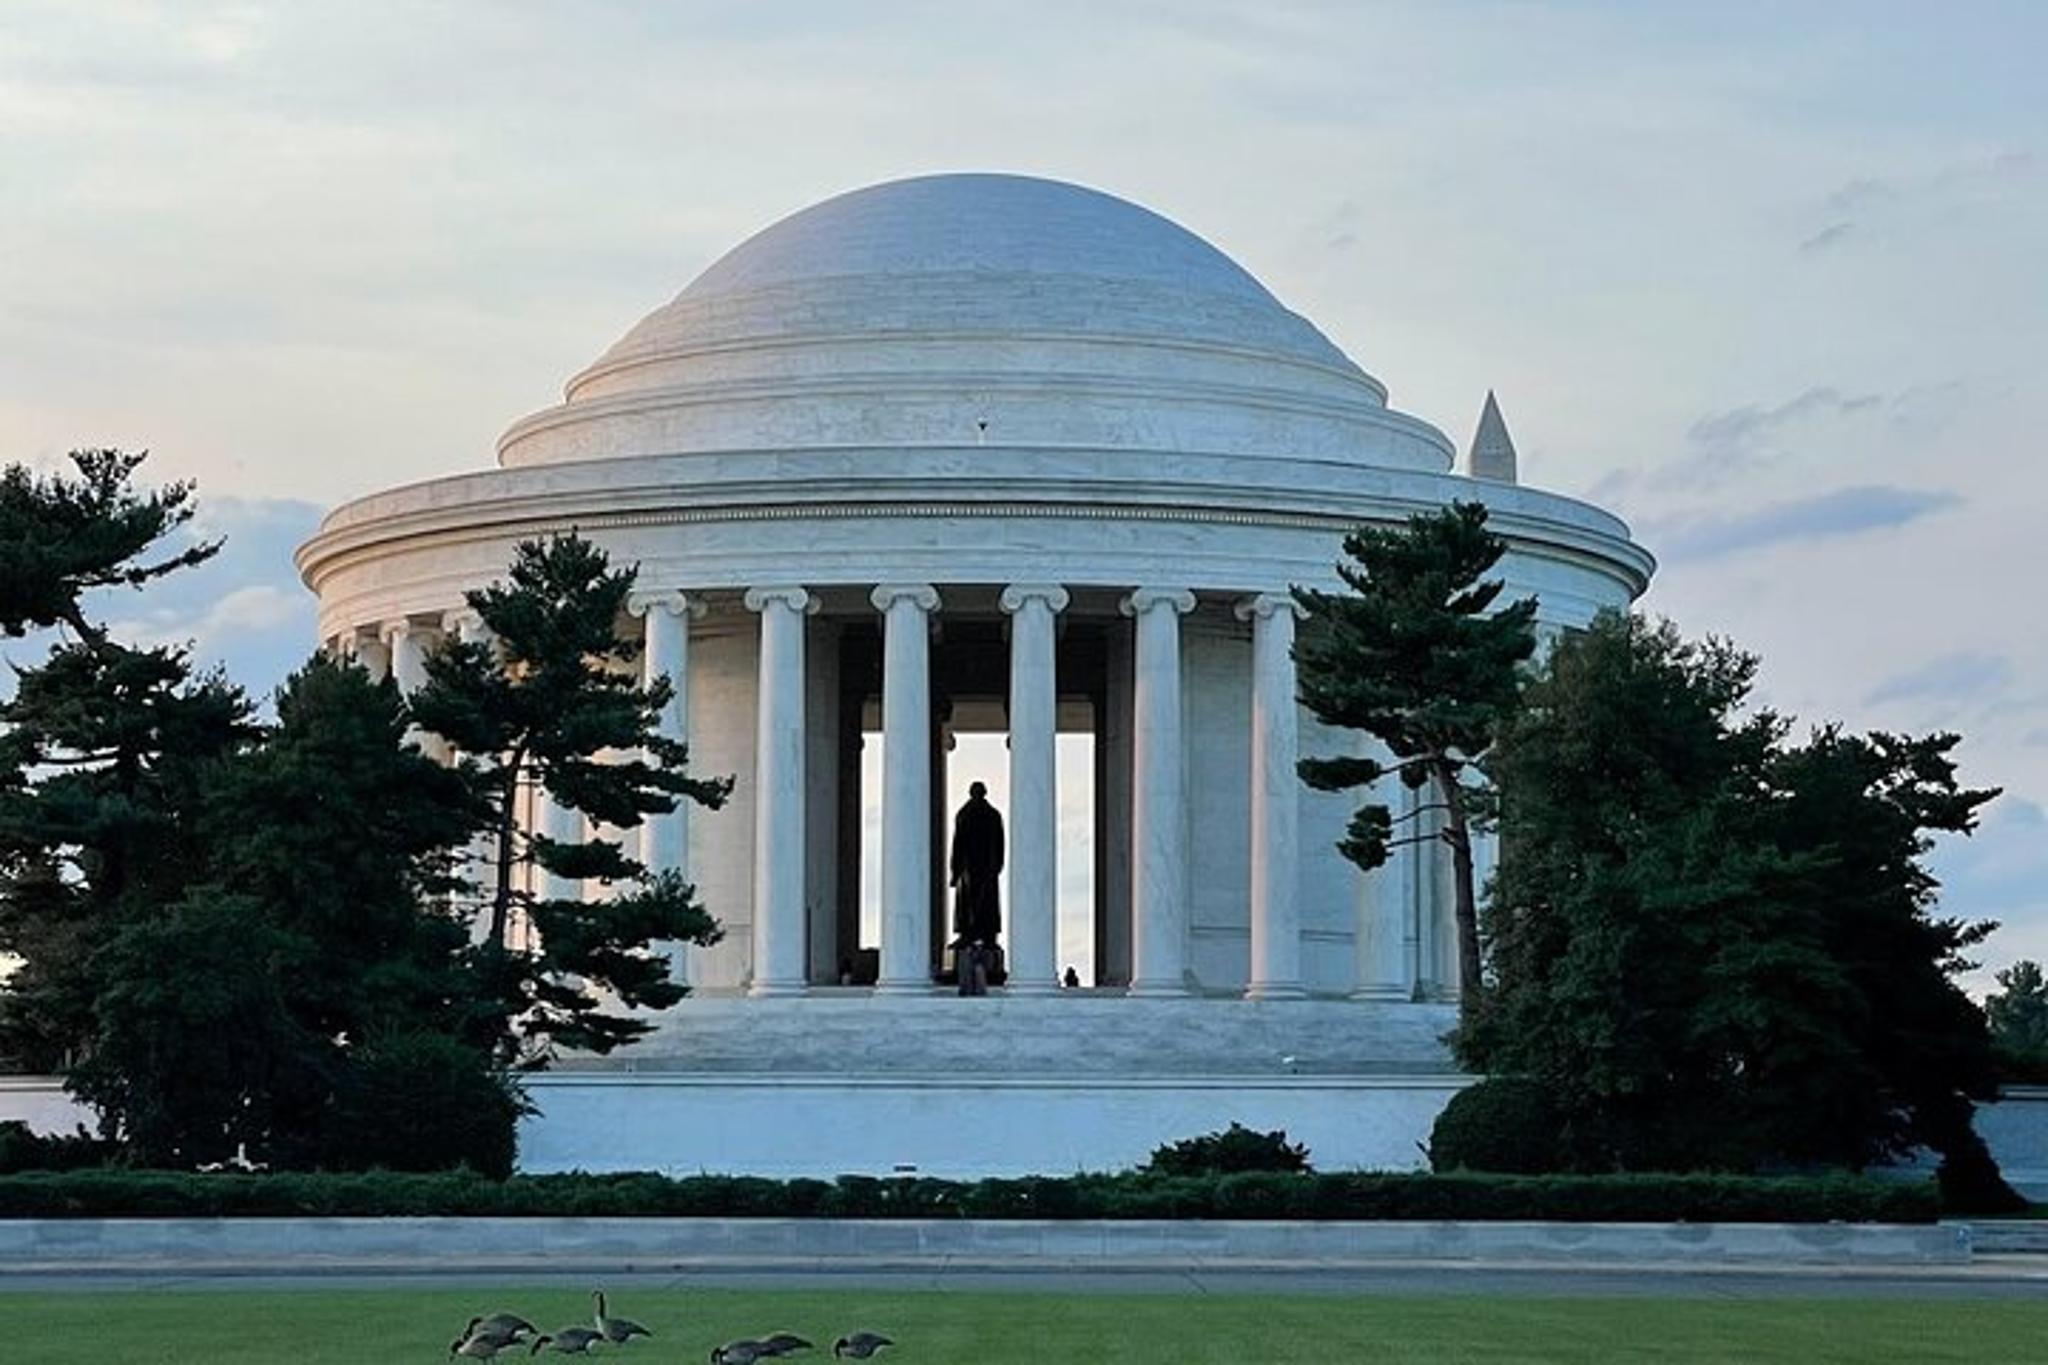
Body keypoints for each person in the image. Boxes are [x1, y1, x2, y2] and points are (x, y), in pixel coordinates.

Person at [948, 780, 1005, 949]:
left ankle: (983, 935)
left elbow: (999, 842)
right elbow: (958, 843)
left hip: (979, 866)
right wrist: (955, 870)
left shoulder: (975, 814)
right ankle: (974, 935)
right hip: (975, 866)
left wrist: (955, 869)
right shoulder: (979, 814)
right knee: (973, 902)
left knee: (980, 902)